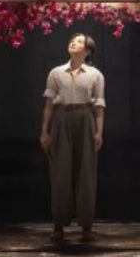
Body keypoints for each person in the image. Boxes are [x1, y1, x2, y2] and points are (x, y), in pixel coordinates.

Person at [40, 32, 106, 244]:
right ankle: (59, 225)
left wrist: (98, 132)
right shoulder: (56, 72)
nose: (73, 43)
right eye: (72, 40)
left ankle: (86, 226)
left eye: (78, 42)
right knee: (60, 172)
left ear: (87, 50)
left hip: (84, 118)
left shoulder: (95, 75)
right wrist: (44, 131)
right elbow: (49, 104)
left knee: (85, 173)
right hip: (61, 119)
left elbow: (99, 106)